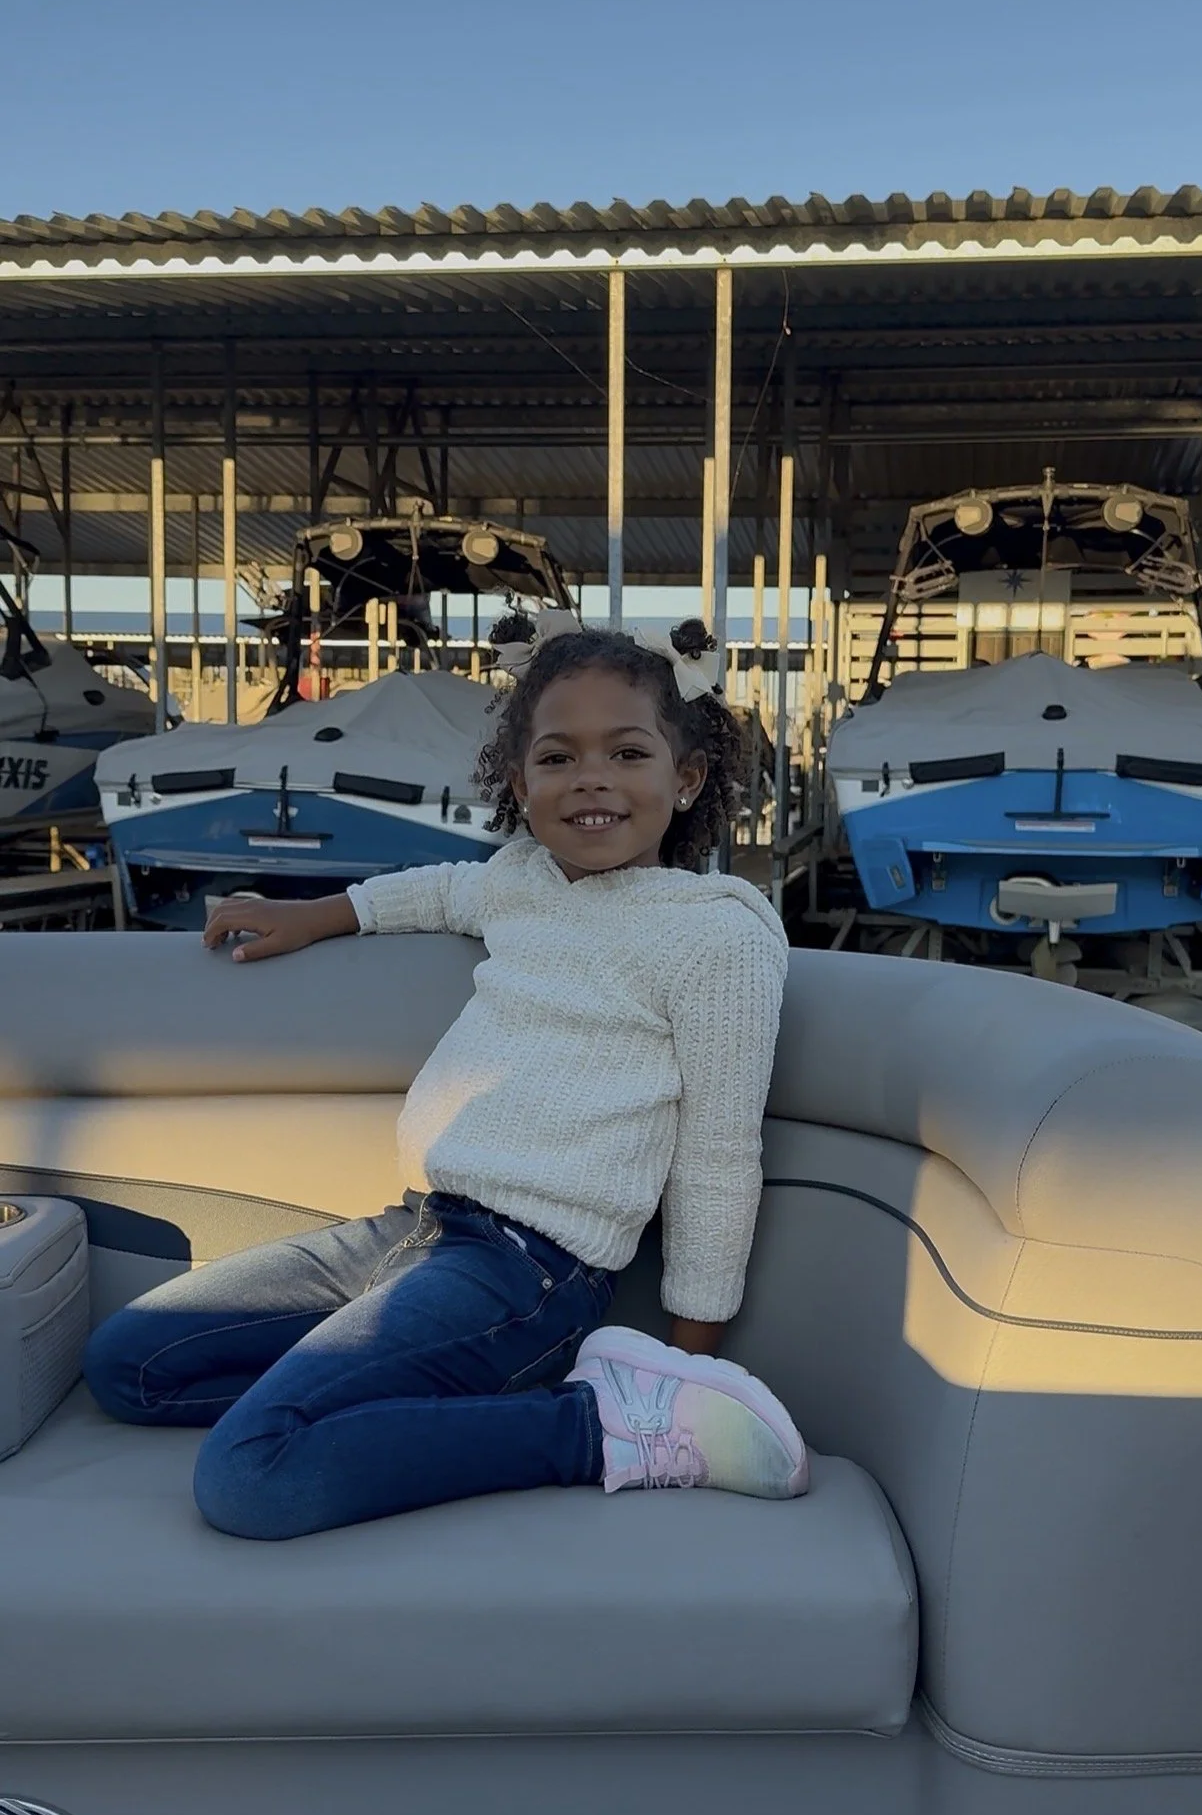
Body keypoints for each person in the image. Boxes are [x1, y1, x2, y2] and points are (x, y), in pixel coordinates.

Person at [82, 615, 808, 1539]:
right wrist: (318, 913)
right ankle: (368, 1415)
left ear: (688, 775)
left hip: (528, 1276)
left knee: (248, 1475)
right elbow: (435, 889)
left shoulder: (717, 932)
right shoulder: (520, 880)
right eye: (557, 757)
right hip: (416, 1227)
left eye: (628, 752)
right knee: (128, 1365)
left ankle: (599, 1429)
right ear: (520, 782)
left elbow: (717, 1154)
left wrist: (690, 1356)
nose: (592, 778)